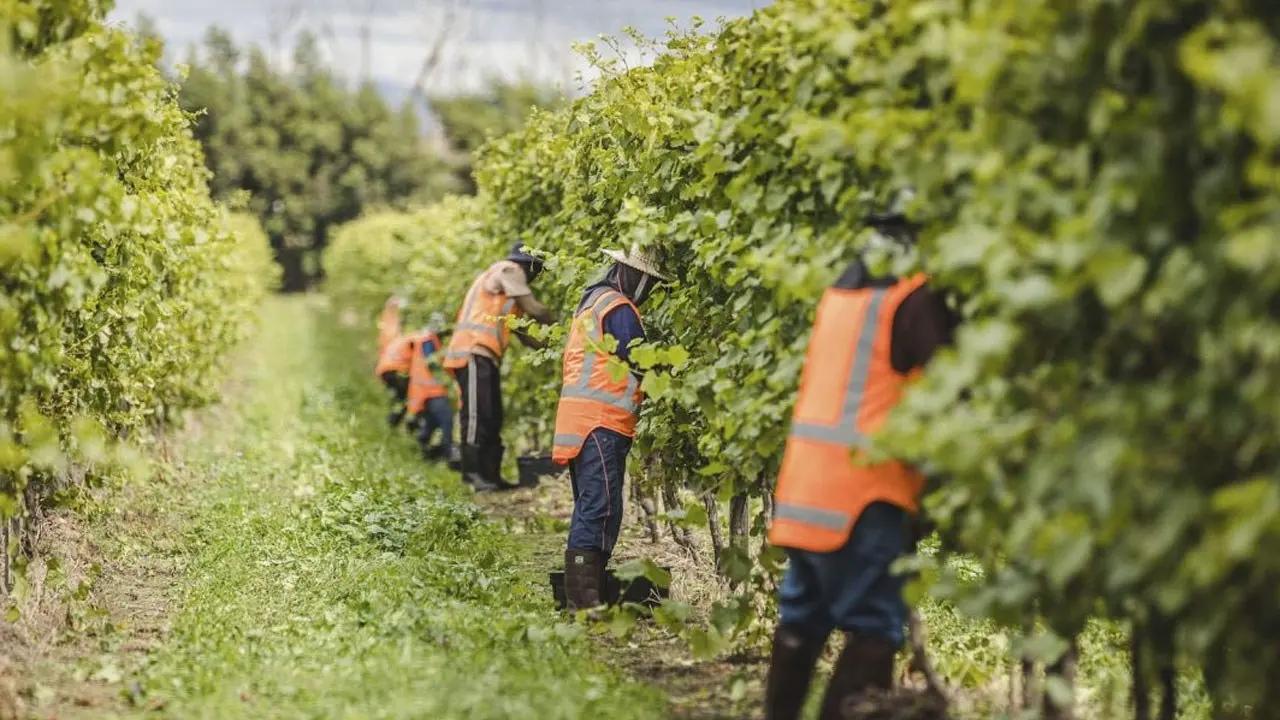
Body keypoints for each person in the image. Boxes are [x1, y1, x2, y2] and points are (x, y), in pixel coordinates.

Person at [763, 213, 956, 720]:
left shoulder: (840, 295)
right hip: (865, 496)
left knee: (801, 619)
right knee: (874, 627)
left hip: (807, 488)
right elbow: (951, 385)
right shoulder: (911, 300)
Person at [552, 245, 668, 610]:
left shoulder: (593, 302)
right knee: (599, 508)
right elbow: (640, 360)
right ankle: (584, 603)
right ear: (634, 275)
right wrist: (672, 382)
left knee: (598, 506)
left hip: (586, 422)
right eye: (649, 282)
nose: (649, 290)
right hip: (598, 423)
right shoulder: (618, 308)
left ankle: (589, 596)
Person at [443, 243, 554, 491]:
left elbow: (524, 334)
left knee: (492, 416)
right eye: (537, 270)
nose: (536, 277)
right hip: (472, 350)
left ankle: (491, 476)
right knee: (476, 414)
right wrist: (561, 325)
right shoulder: (509, 269)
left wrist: (552, 348)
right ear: (528, 265)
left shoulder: (507, 297)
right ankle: (473, 475)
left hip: (486, 355)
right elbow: (535, 309)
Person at [405, 321, 459, 468]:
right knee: (446, 420)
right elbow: (432, 363)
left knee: (431, 422)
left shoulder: (427, 340)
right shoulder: (428, 340)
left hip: (424, 391)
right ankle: (449, 456)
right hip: (431, 390)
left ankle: (423, 453)